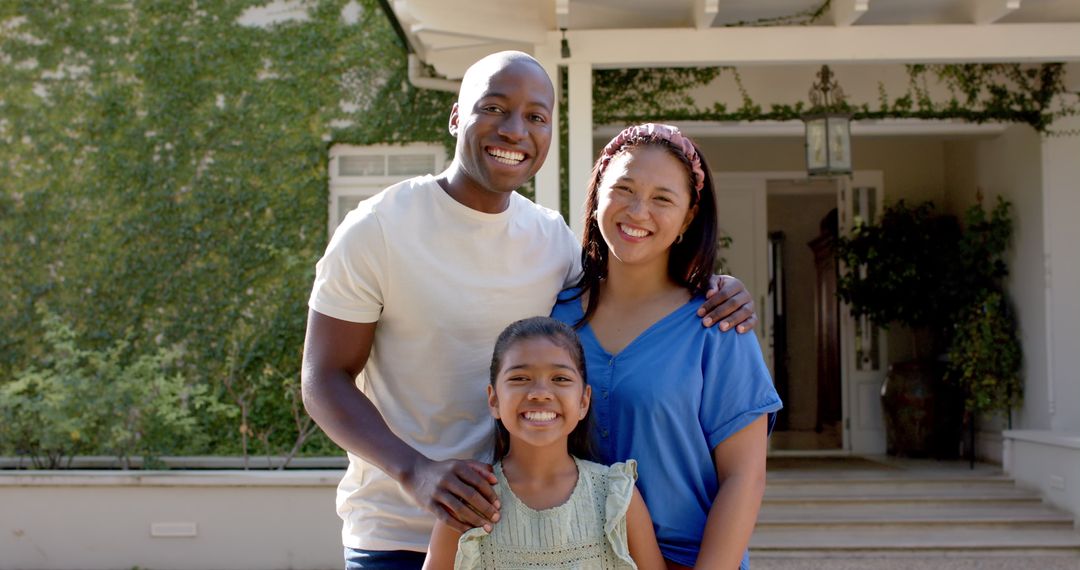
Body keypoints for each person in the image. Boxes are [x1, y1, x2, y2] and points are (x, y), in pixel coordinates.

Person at [301, 52, 756, 570]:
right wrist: (417, 472)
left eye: (536, 117)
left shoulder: (552, 242)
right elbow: (323, 378)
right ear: (456, 116)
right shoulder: (378, 229)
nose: (514, 130)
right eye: (494, 108)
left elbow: (629, 290)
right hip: (398, 530)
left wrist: (713, 285)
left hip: (526, 539)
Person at [550, 123, 783, 570]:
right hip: (567, 557)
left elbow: (744, 476)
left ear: (688, 217)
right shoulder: (552, 315)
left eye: (662, 198)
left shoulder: (717, 324)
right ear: (598, 192)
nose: (639, 211)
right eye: (624, 189)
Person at [423, 317, 666, 570]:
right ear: (493, 400)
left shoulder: (616, 497)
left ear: (584, 401)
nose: (540, 392)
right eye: (519, 378)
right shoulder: (469, 500)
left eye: (560, 379)